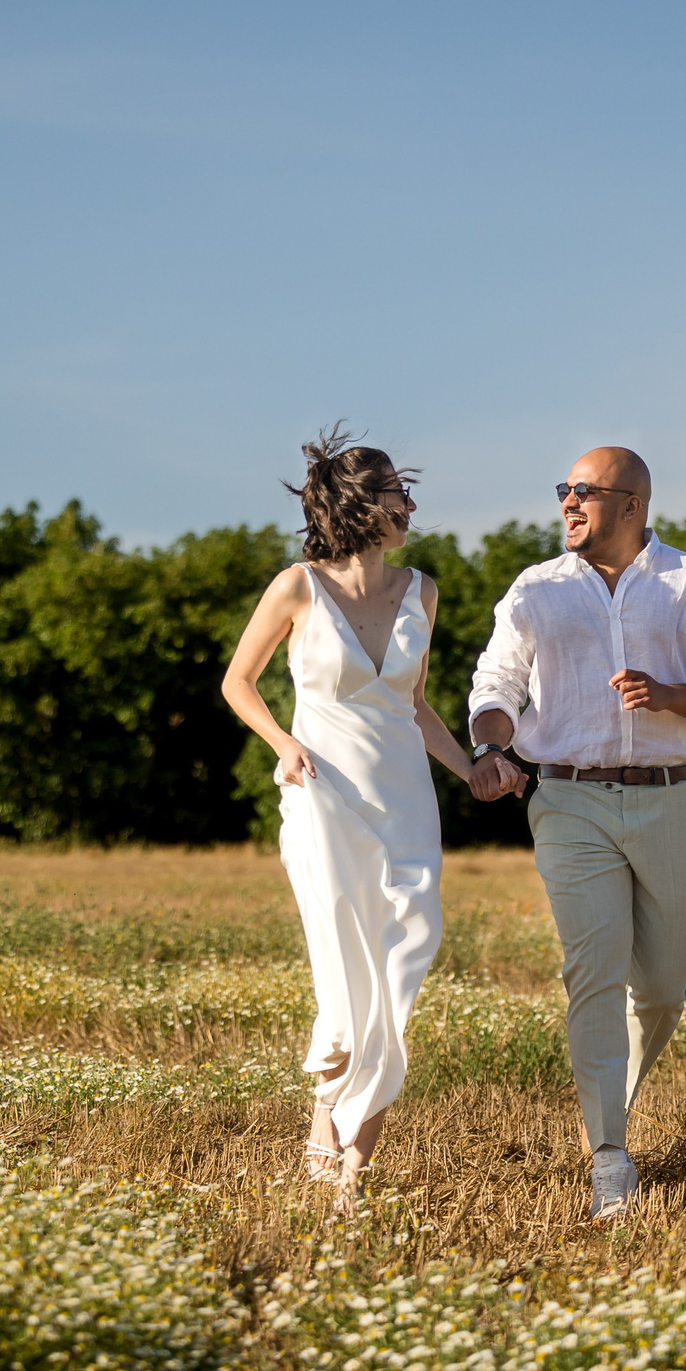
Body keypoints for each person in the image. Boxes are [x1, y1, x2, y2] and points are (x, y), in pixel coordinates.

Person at [465, 447, 686, 1219]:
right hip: (567, 801)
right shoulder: (536, 590)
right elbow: (495, 683)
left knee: (661, 988)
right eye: (564, 490)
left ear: (632, 504)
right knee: (592, 971)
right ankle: (610, 1158)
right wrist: (492, 747)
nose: (567, 503)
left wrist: (671, 695)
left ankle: (612, 1112)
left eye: (584, 493)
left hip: (671, 798)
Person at [222, 428, 478, 1207]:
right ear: (363, 504)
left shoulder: (422, 591)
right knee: (345, 980)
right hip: (322, 798)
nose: (409, 505)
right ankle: (335, 1154)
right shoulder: (297, 587)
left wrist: (472, 771)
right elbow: (239, 682)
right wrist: (283, 743)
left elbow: (416, 707)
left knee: (403, 963)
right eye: (398, 491)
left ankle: (347, 1157)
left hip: (404, 801)